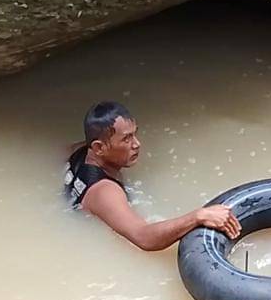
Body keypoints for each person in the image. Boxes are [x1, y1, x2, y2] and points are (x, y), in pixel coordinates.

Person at [65, 101, 241, 250]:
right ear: (98, 148)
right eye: (126, 139)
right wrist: (198, 216)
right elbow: (144, 237)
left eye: (135, 134)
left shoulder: (78, 151)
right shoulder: (105, 191)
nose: (137, 144)